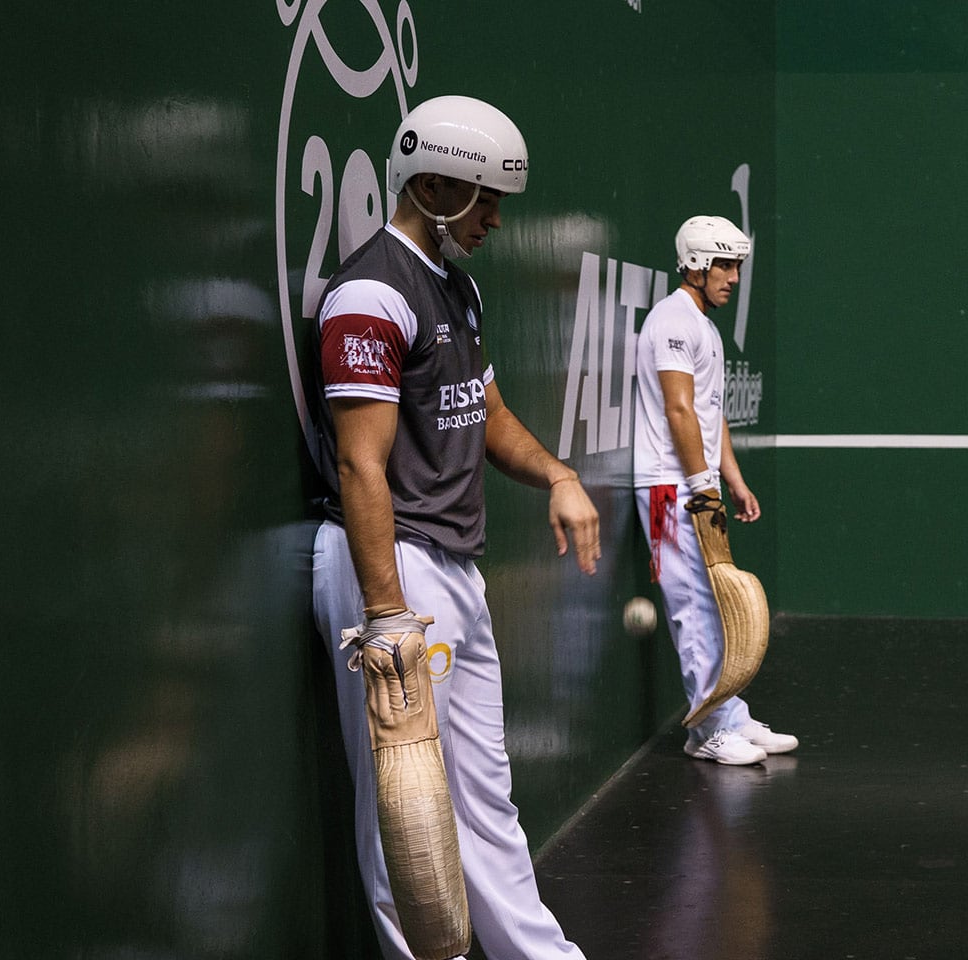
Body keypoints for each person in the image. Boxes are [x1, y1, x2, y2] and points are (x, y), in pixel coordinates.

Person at [310, 95, 600, 960]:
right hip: (392, 567)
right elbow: (361, 465)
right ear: (431, 186)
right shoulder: (371, 292)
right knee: (404, 805)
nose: (495, 220)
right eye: (484, 199)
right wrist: (387, 614)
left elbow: (489, 411)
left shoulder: (457, 289)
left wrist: (559, 474)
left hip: (455, 569)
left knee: (484, 797)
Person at [631, 215, 798, 766]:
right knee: (692, 605)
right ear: (696, 265)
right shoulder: (672, 321)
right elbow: (678, 408)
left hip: (693, 485)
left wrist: (733, 480)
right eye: (724, 265)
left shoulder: (703, 326)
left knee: (714, 601)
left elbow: (709, 413)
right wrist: (703, 485)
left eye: (737, 266)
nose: (733, 277)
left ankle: (727, 713)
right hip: (667, 488)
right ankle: (707, 729)